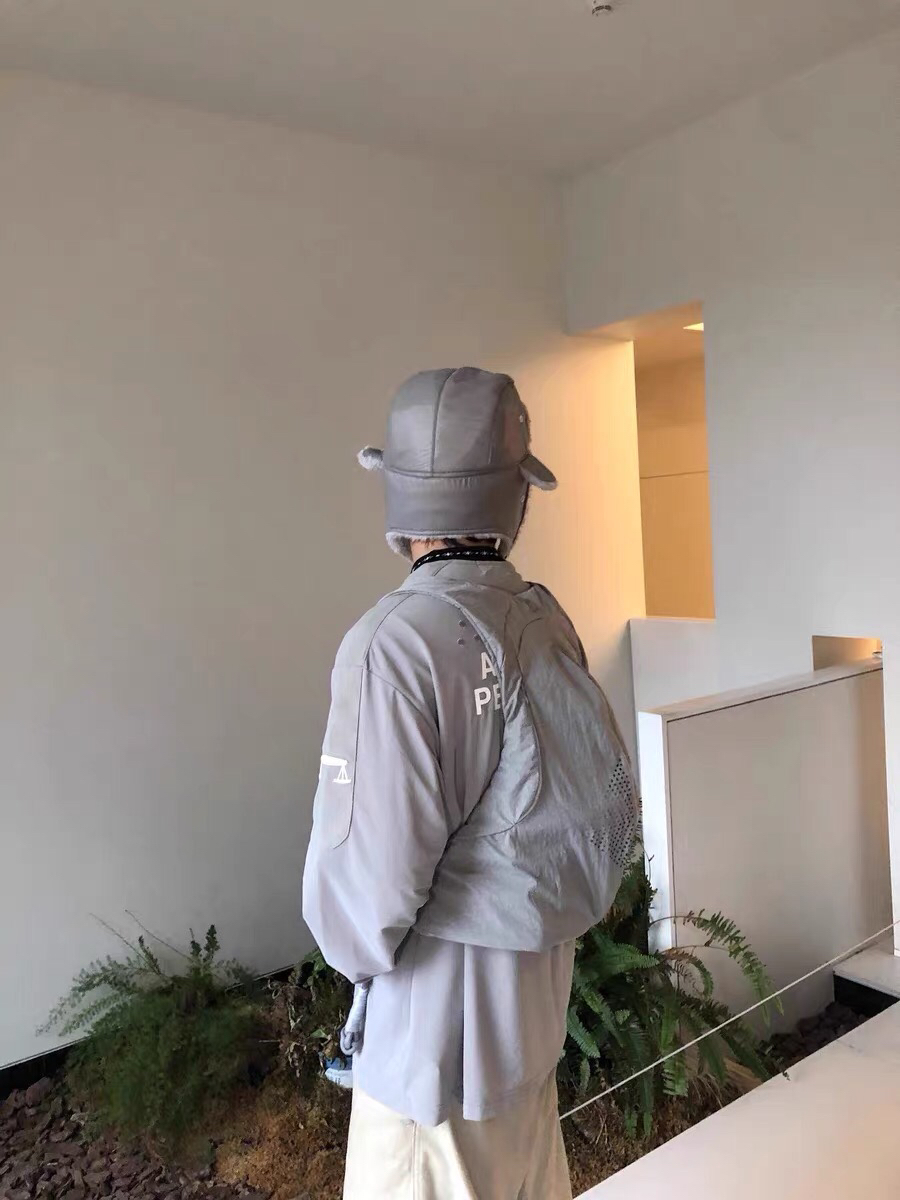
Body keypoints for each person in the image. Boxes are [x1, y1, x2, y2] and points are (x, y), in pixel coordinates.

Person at [303, 367, 638, 1200]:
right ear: (515, 497)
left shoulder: (395, 645)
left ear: (397, 494)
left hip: (430, 1075)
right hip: (528, 1045)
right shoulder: (541, 620)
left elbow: (364, 899)